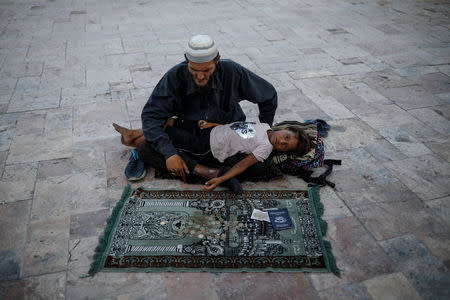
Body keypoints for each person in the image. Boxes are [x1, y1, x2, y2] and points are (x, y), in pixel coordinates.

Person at [124, 34, 278, 182]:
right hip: (191, 131)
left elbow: (268, 95)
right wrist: (170, 155)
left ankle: (146, 142)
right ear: (186, 59)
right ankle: (199, 168)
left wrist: (266, 129)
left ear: (217, 60)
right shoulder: (174, 76)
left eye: (206, 70)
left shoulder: (231, 71)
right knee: (157, 149)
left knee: (259, 166)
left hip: (227, 131)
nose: (200, 77)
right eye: (194, 70)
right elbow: (151, 115)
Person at [115, 120, 311, 194]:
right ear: (285, 128)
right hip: (211, 132)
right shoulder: (265, 126)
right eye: (285, 137)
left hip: (208, 148)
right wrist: (213, 124)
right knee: (171, 122)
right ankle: (133, 137)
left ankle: (133, 137)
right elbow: (237, 126)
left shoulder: (265, 148)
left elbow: (243, 165)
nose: (281, 142)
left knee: (170, 134)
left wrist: (222, 178)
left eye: (285, 146)